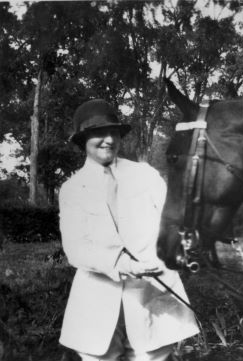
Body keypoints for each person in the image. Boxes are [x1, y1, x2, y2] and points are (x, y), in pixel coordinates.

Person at [58, 99, 199, 361]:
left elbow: (173, 221)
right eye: (99, 133)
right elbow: (76, 250)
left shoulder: (145, 175)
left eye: (114, 133)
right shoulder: (73, 189)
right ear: (83, 140)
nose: (108, 140)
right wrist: (124, 264)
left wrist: (186, 242)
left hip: (150, 295)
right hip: (96, 300)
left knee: (150, 355)